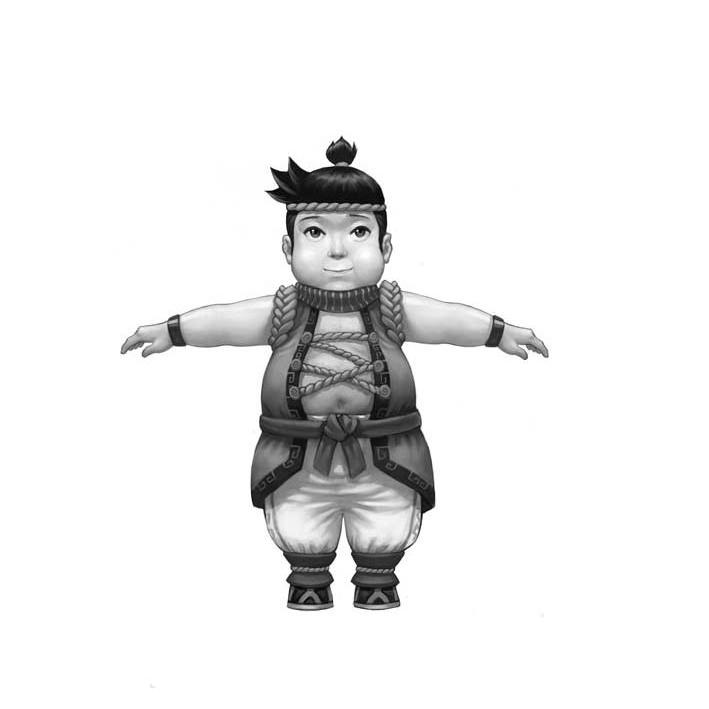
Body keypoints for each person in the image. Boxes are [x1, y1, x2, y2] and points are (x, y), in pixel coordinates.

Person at [121, 137, 548, 611]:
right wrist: (172, 331)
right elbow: (223, 321)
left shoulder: (391, 308)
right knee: (302, 525)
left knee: (384, 525)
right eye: (316, 233)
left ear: (386, 245)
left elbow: (449, 320)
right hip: (298, 457)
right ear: (288, 247)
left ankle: (377, 580)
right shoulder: (284, 310)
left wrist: (500, 333)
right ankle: (308, 579)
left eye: (359, 232)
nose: (339, 250)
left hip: (386, 456)